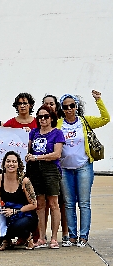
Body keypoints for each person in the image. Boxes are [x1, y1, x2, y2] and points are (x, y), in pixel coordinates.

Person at [57, 91, 109, 247]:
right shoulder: (58, 124)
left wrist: (99, 100)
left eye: (72, 105)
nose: (69, 109)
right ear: (62, 108)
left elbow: (105, 119)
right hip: (65, 169)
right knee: (69, 203)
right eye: (65, 107)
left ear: (76, 106)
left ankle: (83, 236)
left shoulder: (85, 121)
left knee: (84, 203)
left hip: (83, 167)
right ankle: (72, 236)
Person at [26, 105, 65, 249]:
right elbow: (26, 147)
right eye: (40, 117)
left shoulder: (57, 133)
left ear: (52, 118)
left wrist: (37, 157)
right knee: (40, 204)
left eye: (46, 116)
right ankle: (41, 237)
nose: (42, 119)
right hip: (35, 170)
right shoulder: (34, 132)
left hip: (51, 169)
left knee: (53, 203)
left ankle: (54, 238)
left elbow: (57, 154)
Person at [0, 151, 38, 251]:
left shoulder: (24, 181)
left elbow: (34, 204)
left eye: (14, 162)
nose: (11, 164)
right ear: (4, 164)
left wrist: (15, 211)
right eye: (8, 161)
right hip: (6, 213)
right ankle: (6, 240)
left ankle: (28, 237)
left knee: (15, 227)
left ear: (18, 165)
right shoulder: (0, 178)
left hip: (25, 214)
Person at [42, 94, 69, 245]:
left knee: (61, 202)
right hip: (44, 169)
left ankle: (64, 233)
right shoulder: (40, 123)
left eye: (51, 104)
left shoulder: (60, 124)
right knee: (43, 203)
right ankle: (42, 235)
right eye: (46, 104)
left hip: (62, 168)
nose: (49, 106)